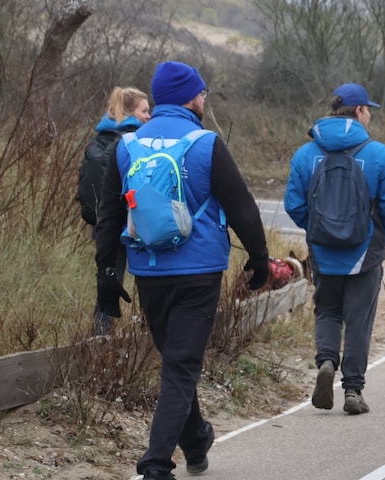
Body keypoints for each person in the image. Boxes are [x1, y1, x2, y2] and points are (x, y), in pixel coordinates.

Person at [94, 61, 270, 480]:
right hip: (199, 272)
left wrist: (106, 277)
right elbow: (243, 207)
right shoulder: (207, 144)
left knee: (177, 360)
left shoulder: (126, 146)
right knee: (181, 366)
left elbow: (109, 216)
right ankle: (156, 464)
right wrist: (260, 261)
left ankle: (195, 441)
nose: (205, 101)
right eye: (203, 94)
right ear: (191, 98)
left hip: (148, 270)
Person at [284, 82, 385, 415]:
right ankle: (353, 390)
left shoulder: (306, 154)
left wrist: (316, 229)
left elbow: (293, 203)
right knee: (359, 320)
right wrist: (379, 237)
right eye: (369, 111)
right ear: (360, 111)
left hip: (323, 251)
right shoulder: (379, 154)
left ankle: (325, 361)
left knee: (327, 310)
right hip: (365, 253)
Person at [77, 86, 152, 335]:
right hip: (135, 225)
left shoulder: (100, 138)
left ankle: (98, 341)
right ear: (131, 112)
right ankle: (148, 338)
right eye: (144, 110)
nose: (148, 116)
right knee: (148, 286)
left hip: (105, 226)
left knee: (108, 286)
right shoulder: (138, 140)